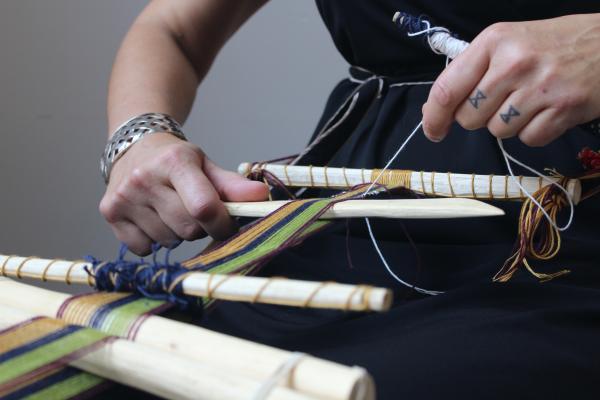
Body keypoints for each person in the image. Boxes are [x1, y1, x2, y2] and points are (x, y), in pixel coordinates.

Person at [100, 1, 600, 398]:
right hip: (340, 218)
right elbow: (174, 28)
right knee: (109, 367)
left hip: (567, 232)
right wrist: (140, 139)